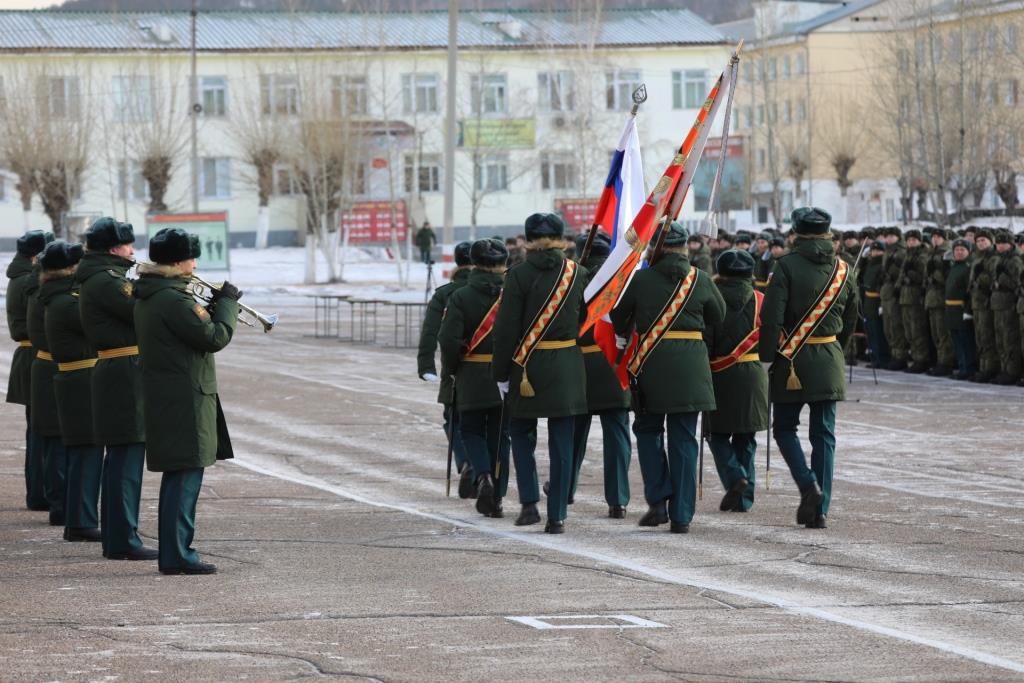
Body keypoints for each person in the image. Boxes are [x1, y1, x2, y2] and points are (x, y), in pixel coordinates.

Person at [134, 228, 240, 575]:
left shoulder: (155, 294)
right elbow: (213, 337)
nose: (195, 264)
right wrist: (226, 304)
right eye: (192, 258)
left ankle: (175, 551)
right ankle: (178, 553)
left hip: (171, 393)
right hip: (184, 397)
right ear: (179, 262)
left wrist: (208, 307)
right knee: (185, 476)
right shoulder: (173, 299)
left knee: (180, 474)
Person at [610, 221, 725, 534]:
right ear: (684, 247)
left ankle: (659, 499)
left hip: (652, 364)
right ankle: (682, 515)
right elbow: (719, 315)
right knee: (685, 438)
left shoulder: (641, 279)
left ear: (656, 248)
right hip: (692, 368)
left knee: (648, 430)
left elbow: (619, 318)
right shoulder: (700, 279)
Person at [759, 208, 858, 530]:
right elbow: (852, 319)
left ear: (797, 233)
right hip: (828, 355)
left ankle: (807, 486)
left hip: (792, 360)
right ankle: (821, 510)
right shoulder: (844, 269)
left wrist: (767, 355)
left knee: (785, 429)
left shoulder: (785, 266)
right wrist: (833, 349)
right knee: (824, 435)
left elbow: (772, 316)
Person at [492, 213, 588, 534]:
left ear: (527, 239)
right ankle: (557, 514)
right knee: (563, 441)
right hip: (566, 366)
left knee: (520, 434)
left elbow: (505, 330)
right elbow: (587, 320)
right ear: (561, 238)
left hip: (526, 367)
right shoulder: (579, 274)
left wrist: (501, 372)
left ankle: (530, 502)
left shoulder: (517, 275)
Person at [77, 218, 158, 560]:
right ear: (113, 249)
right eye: (128, 246)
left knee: (121, 460)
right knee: (126, 461)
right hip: (123, 371)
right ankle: (123, 539)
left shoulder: (102, 277)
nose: (133, 251)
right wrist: (159, 287)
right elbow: (141, 313)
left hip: (119, 369)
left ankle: (117, 537)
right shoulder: (107, 280)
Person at [438, 238, 510, 518]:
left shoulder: (460, 296)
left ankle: (482, 476)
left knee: (470, 430)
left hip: (470, 373)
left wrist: (453, 368)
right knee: (500, 436)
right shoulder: (513, 294)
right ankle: (498, 500)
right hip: (505, 376)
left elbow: (448, 339)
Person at [40, 240, 103, 543]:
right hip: (81, 381)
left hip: (81, 379)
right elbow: (99, 323)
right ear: (69, 269)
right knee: (86, 454)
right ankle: (80, 519)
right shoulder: (66, 301)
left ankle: (80, 517)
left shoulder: (63, 296)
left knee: (85, 453)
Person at [569, 232, 632, 519]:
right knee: (617, 434)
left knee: (572, 435)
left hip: (579, 365)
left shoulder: (571, 280)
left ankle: (565, 488)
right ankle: (617, 499)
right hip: (613, 362)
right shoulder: (620, 280)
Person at [705, 249, 767, 513]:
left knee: (716, 434)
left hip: (718, 374)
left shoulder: (711, 297)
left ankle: (734, 477)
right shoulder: (761, 300)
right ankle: (743, 499)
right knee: (746, 436)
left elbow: (705, 341)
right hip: (752, 372)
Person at [417, 241, 474, 497]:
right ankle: (486, 473)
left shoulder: (445, 293)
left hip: (455, 368)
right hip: (491, 367)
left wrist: (426, 366)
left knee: (454, 420)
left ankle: (466, 462)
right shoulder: (499, 289)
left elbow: (430, 331)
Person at [7, 230, 52, 512]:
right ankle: (40, 492)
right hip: (33, 353)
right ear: (36, 256)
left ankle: (39, 491)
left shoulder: (22, 276)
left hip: (29, 354)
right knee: (41, 430)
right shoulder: (29, 279)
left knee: (38, 428)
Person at [26, 233, 66, 528]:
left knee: (54, 441)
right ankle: (58, 503)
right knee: (56, 441)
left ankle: (57, 501)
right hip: (53, 367)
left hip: (47, 366)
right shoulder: (52, 297)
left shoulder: (44, 292)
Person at [989, 231, 1022, 385]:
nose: (1001, 246)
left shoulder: (1014, 261)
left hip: (1008, 304)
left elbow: (1017, 285)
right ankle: (1004, 369)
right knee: (1000, 339)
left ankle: (1012, 371)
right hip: (998, 303)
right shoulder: (999, 260)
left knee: (1010, 339)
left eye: (1004, 243)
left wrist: (1003, 279)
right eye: (999, 243)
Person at [899, 229, 931, 374]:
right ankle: (915, 357)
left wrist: (911, 273)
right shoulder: (907, 256)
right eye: (909, 240)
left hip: (916, 298)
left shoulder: (922, 256)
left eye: (914, 240)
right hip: (905, 297)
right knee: (909, 331)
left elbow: (923, 278)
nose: (911, 242)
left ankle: (921, 359)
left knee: (917, 330)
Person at [968, 229, 998, 383]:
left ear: (990, 242)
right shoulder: (977, 258)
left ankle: (990, 368)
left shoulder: (993, 258)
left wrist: (981, 278)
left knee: (987, 336)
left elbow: (994, 280)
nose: (981, 243)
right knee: (980, 336)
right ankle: (984, 366)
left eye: (984, 241)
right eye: (978, 241)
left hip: (987, 302)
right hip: (977, 302)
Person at [924, 229, 955, 377]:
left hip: (941, 298)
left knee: (943, 334)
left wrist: (936, 273)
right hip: (931, 298)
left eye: (938, 237)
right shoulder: (931, 253)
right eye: (933, 237)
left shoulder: (947, 254)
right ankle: (939, 361)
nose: (935, 240)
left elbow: (947, 278)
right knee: (935, 333)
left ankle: (946, 362)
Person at [945, 239, 977, 380]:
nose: (959, 252)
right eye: (956, 250)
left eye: (962, 250)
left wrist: (968, 310)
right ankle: (962, 366)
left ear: (968, 252)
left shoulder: (968, 267)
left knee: (966, 341)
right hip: (951, 309)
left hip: (961, 308)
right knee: (956, 340)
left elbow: (970, 291)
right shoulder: (953, 266)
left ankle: (968, 368)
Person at [858, 240, 890, 369]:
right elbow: (860, 275)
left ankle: (882, 358)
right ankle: (875, 357)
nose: (875, 253)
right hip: (867, 301)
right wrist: (864, 259)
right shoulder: (870, 264)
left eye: (878, 250)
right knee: (870, 331)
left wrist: (881, 304)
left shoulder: (882, 264)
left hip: (876, 300)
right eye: (873, 250)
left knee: (878, 332)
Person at [881, 227, 909, 370]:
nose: (889, 239)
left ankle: (900, 356)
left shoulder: (901, 252)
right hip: (886, 292)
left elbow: (903, 272)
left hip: (895, 292)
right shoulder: (888, 251)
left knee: (896, 325)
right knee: (888, 326)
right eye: (887, 236)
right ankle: (894, 354)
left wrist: (895, 271)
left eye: (892, 236)